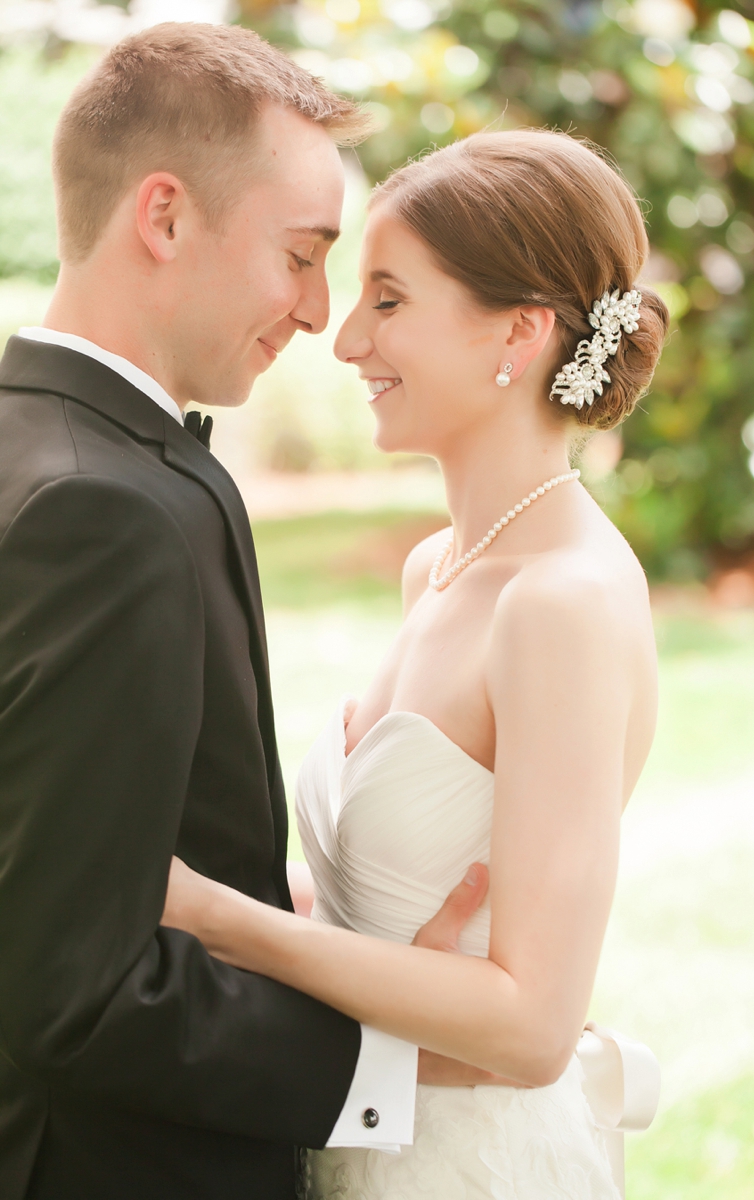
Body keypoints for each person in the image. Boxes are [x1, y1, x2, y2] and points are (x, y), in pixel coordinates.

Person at [0, 23, 487, 1200]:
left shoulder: (46, 445)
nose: (318, 313)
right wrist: (401, 1053)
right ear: (163, 218)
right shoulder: (102, 515)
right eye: (301, 254)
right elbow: (75, 984)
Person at [162, 129, 671, 1198]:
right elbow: (388, 910)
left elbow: (531, 1026)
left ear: (517, 334)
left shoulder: (561, 604)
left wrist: (216, 917)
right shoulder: (439, 567)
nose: (344, 340)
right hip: (361, 1122)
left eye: (386, 301)